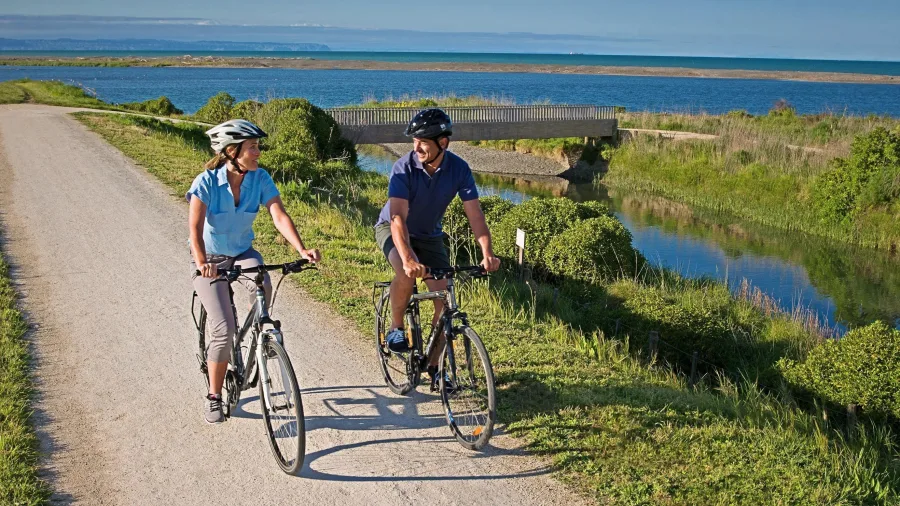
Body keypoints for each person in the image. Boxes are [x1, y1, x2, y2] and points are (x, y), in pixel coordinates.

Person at [187, 119, 321, 424]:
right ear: (232, 151)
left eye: (257, 146)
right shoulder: (206, 182)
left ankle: (262, 336)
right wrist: (201, 263)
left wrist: (301, 249)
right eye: (252, 147)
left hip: (243, 254)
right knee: (223, 329)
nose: (258, 152)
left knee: (263, 283)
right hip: (210, 260)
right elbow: (194, 229)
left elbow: (278, 214)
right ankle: (214, 395)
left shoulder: (259, 178)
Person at [374, 108, 500, 391]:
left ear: (443, 143)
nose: (416, 147)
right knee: (406, 273)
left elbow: (475, 215)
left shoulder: (459, 170)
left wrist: (487, 252)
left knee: (445, 303)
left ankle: (434, 366)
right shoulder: (403, 168)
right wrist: (407, 258)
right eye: (414, 141)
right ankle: (395, 328)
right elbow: (397, 218)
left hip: (430, 236)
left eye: (423, 142)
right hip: (392, 229)